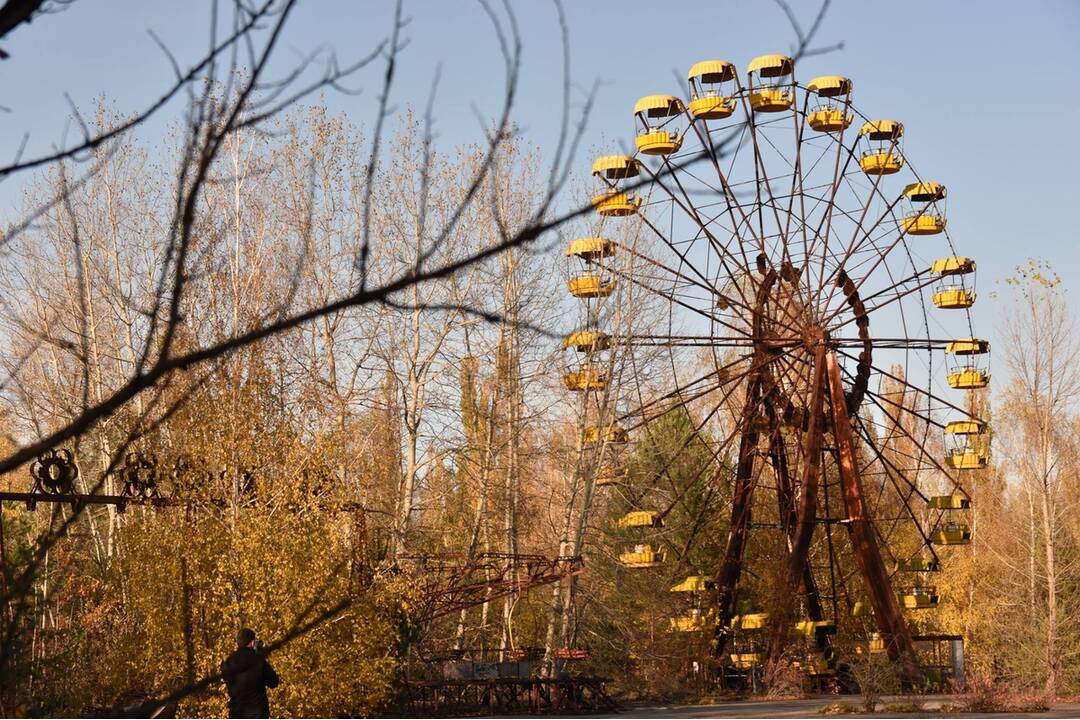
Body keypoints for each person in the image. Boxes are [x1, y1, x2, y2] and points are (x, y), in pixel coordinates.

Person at [221, 628, 280, 718]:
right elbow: (273, 682)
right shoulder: (257, 661)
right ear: (252, 642)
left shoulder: (229, 662)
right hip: (257, 713)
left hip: (236, 713)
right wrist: (261, 657)